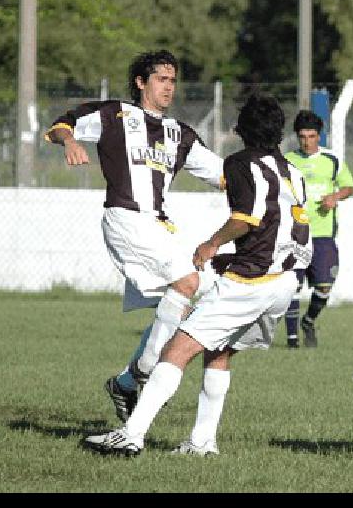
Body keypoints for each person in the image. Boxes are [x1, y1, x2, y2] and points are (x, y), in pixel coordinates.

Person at [83, 93, 312, 456]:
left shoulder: (240, 163)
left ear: (240, 130)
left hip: (250, 283)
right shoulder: (293, 172)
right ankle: (202, 442)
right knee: (219, 354)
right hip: (284, 282)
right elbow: (279, 227)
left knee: (177, 350)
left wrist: (211, 246)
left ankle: (131, 434)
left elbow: (245, 219)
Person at [45, 50, 225, 422]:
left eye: (173, 80)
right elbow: (62, 124)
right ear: (141, 82)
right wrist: (70, 141)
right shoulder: (115, 115)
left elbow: (223, 175)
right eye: (161, 78)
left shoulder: (179, 134)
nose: (168, 87)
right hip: (125, 217)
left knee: (191, 304)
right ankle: (142, 374)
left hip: (159, 226)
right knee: (189, 282)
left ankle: (127, 382)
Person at [283, 110, 353, 348]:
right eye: (302, 136)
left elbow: (348, 186)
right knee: (292, 286)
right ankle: (292, 341)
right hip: (295, 234)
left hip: (323, 234)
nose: (306, 141)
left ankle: (309, 320)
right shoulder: (288, 161)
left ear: (319, 136)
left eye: (311, 136)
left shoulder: (331, 160)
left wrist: (335, 197)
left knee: (324, 286)